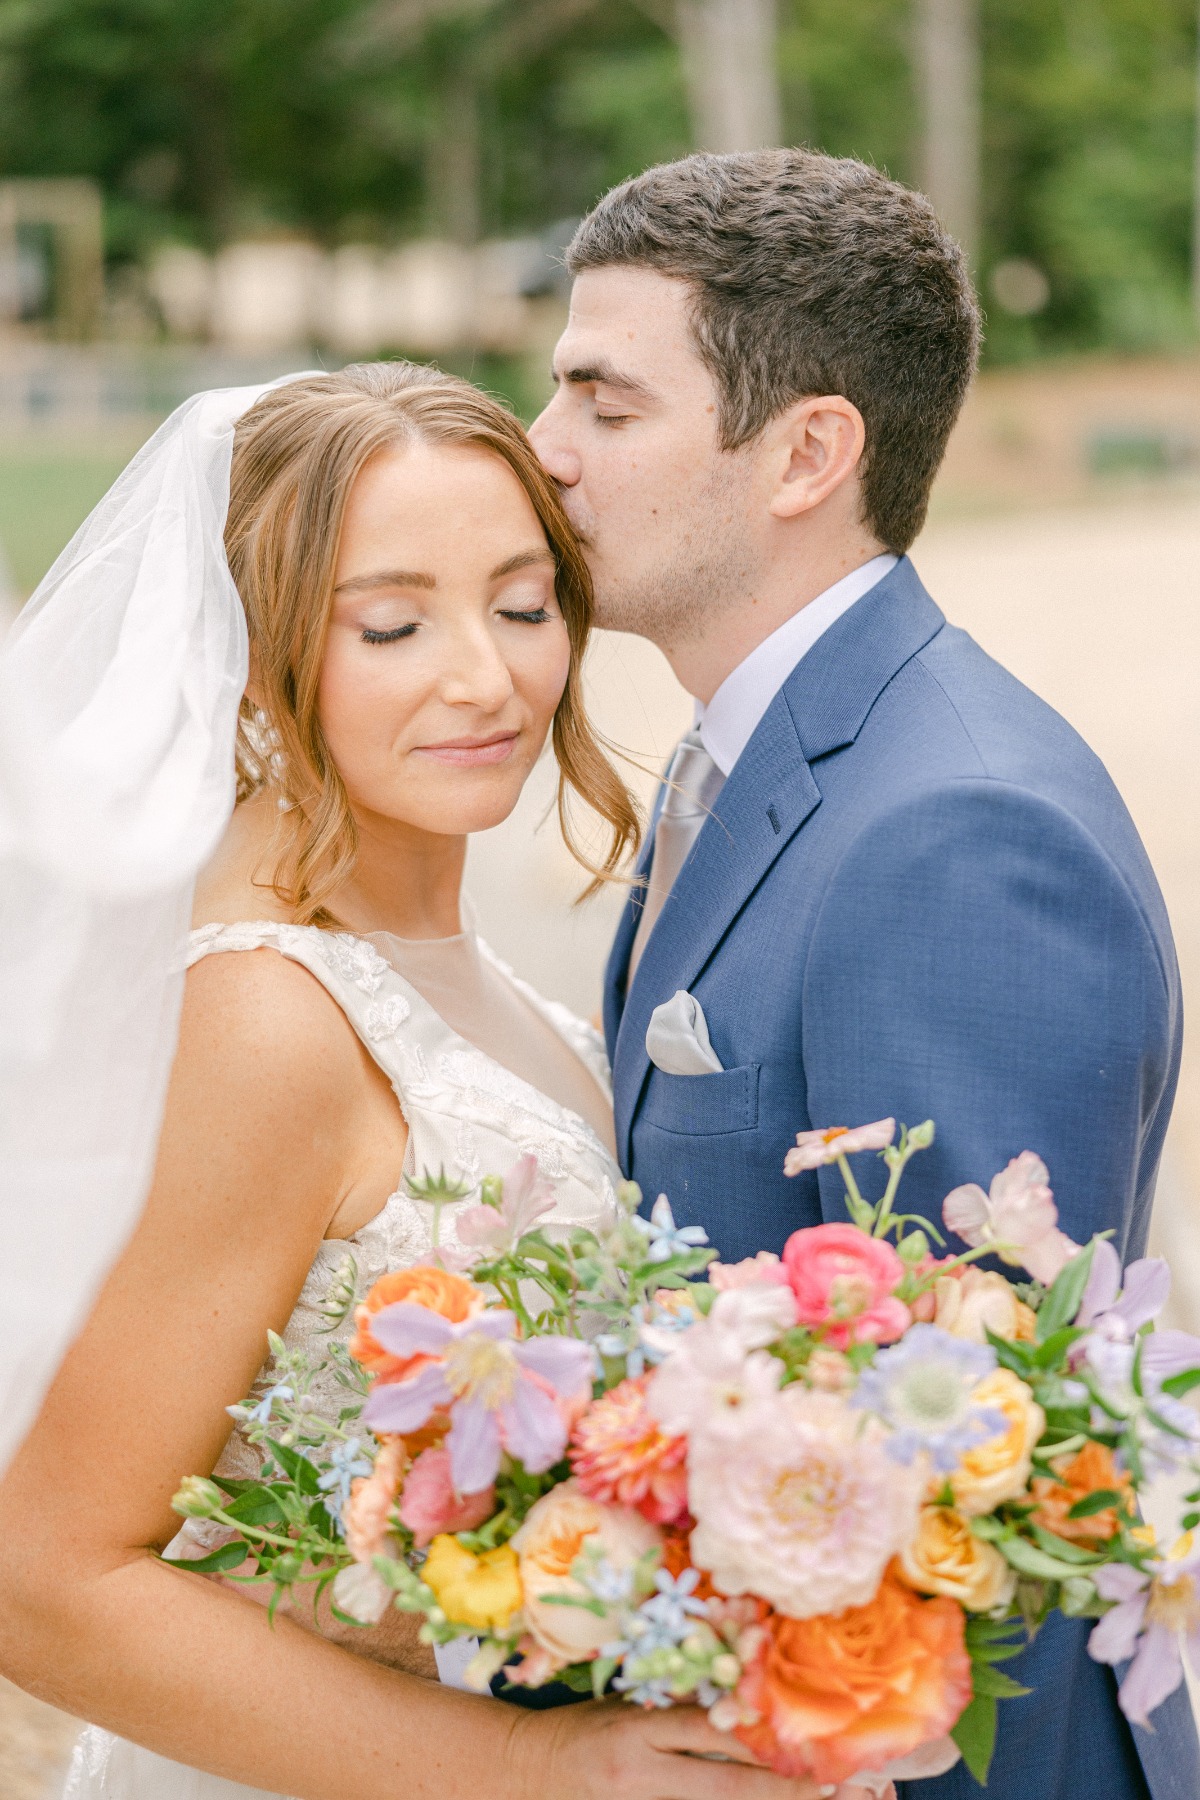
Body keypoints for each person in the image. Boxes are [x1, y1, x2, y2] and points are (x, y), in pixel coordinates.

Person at [0, 365, 833, 1800]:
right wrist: (541, 1764)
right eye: (391, 623)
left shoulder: (490, 985)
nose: (486, 676)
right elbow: (48, 1582)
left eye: (523, 606)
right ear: (255, 651)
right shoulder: (263, 1016)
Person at [529, 149, 1198, 1800]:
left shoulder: (957, 831)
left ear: (808, 452)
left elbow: (987, 1497)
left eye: (606, 407)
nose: (542, 454)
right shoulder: (750, 759)